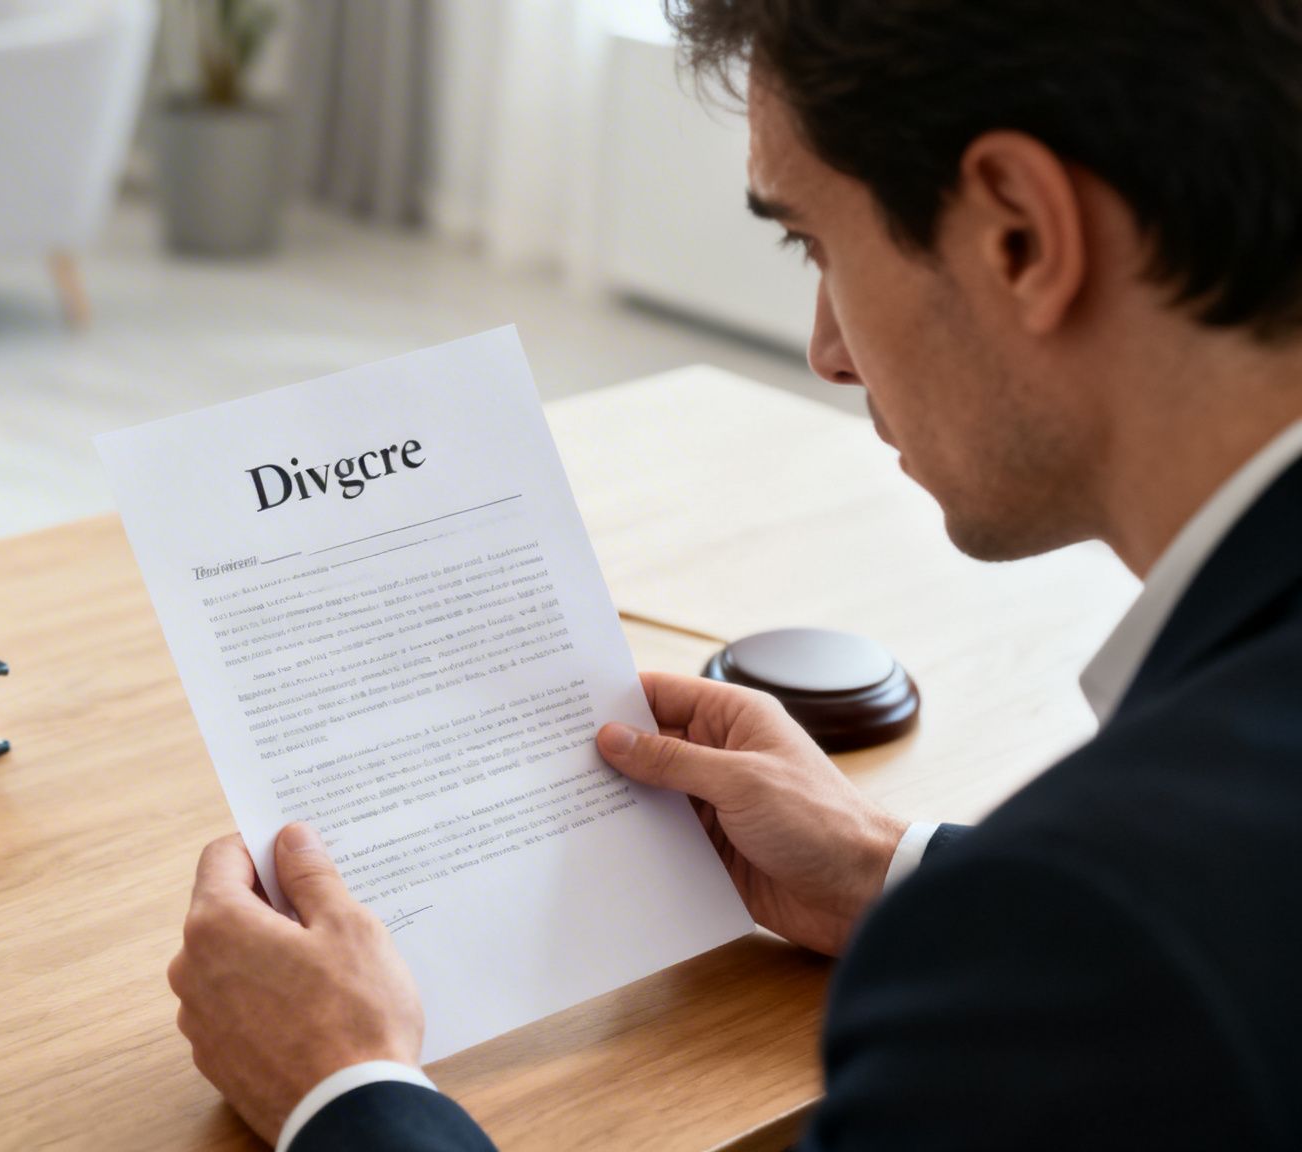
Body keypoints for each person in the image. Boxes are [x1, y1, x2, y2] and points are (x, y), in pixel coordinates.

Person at [165, 0, 1302, 1148]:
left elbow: (1148, 944)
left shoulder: (1104, 931)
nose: (825, 349)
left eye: (813, 241)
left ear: (1019, 235)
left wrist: (344, 1094)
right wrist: (886, 870)